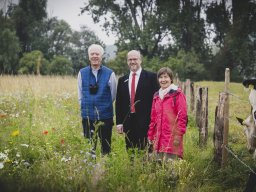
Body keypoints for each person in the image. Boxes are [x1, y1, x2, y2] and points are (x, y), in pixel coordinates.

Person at [115, 50, 159, 151]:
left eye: (135, 59)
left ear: (140, 60)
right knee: (130, 150)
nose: (132, 61)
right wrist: (119, 123)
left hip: (146, 122)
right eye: (130, 59)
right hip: (129, 122)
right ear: (127, 62)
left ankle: (145, 167)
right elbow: (119, 103)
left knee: (147, 150)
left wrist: (156, 121)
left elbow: (157, 101)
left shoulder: (151, 77)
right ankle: (131, 167)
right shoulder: (122, 80)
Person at [78, 44, 117, 155]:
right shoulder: (82, 73)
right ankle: (91, 169)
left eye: (97, 54)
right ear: (88, 56)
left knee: (106, 146)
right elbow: (80, 95)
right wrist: (86, 109)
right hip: (88, 116)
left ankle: (105, 169)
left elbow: (113, 95)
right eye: (92, 54)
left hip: (105, 116)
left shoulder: (110, 73)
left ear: (102, 56)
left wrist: (104, 106)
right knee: (90, 146)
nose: (95, 56)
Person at [147, 67, 187, 161]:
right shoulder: (156, 96)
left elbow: (182, 117)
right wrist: (150, 135)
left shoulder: (177, 94)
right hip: (158, 139)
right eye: (160, 77)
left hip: (172, 139)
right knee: (159, 168)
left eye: (166, 77)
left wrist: (178, 136)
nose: (163, 80)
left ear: (171, 79)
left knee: (172, 170)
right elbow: (153, 118)